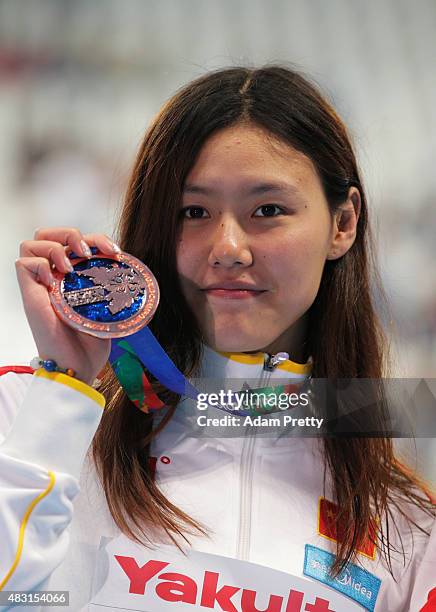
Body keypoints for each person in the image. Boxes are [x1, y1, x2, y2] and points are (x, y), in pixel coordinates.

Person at [0, 65, 435, 612]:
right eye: (194, 211)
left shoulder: (408, 523)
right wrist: (64, 389)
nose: (228, 247)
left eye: (268, 210)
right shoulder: (28, 415)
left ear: (342, 223)